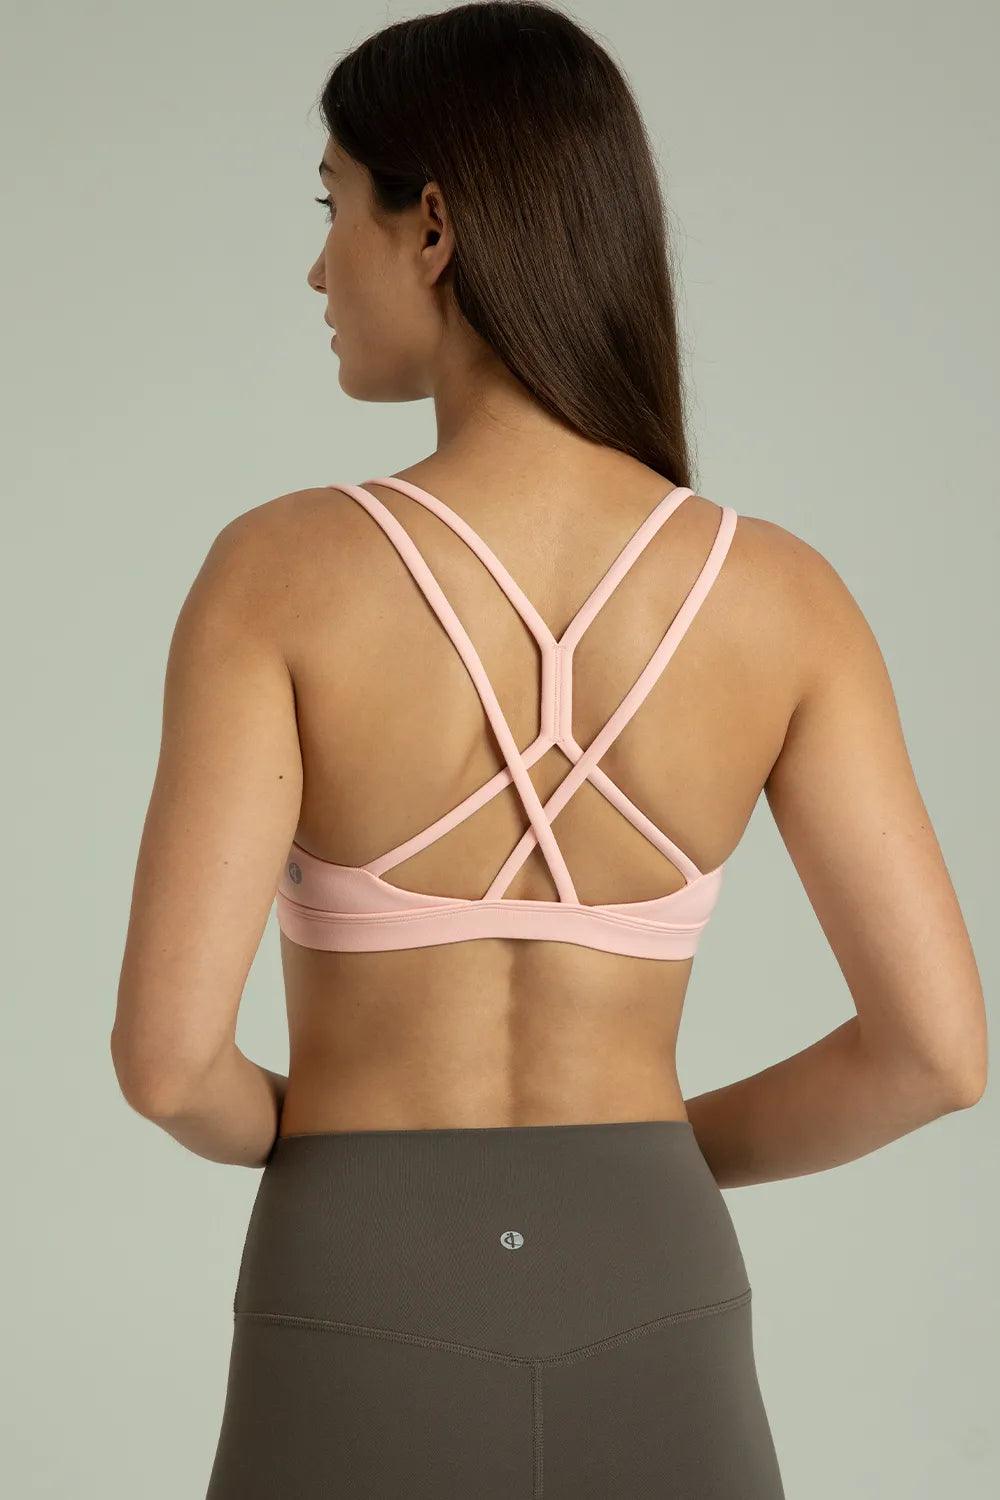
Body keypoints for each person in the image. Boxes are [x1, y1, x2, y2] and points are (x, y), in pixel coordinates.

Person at [110, 3, 987, 1496]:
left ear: (432, 225)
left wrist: (324, 1141)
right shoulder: (785, 598)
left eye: (333, 207)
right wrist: (644, 1157)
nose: (319, 269)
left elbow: (168, 1064)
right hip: (653, 1262)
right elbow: (938, 1056)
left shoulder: (280, 573)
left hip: (358, 1271)